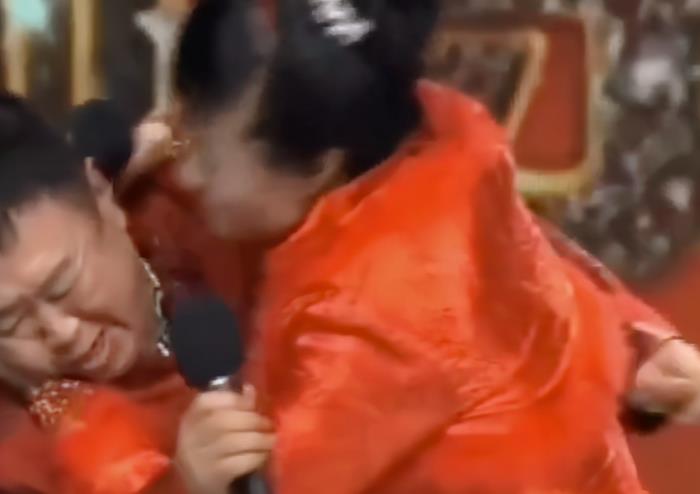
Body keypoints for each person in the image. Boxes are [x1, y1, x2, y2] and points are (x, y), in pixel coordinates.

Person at [90, 0, 700, 493]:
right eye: (183, 121)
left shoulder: (379, 316)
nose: (182, 166)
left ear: (320, 165)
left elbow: (258, 479)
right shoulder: (415, 141)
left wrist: (180, 484)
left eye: (208, 155)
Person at [0, 94, 274, 494]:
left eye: (63, 285)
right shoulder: (16, 453)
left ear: (101, 195)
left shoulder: (213, 220)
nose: (62, 332)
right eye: (10, 322)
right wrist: (183, 485)